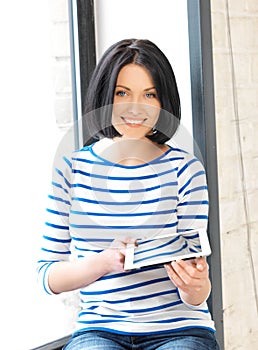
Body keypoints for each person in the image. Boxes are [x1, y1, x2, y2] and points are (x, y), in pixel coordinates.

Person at [37, 38, 220, 349]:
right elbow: (48, 276)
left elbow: (196, 297)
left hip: (180, 329)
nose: (136, 108)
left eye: (149, 94)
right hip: (100, 330)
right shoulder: (72, 169)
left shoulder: (185, 169)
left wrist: (197, 285)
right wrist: (106, 262)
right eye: (122, 93)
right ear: (105, 96)